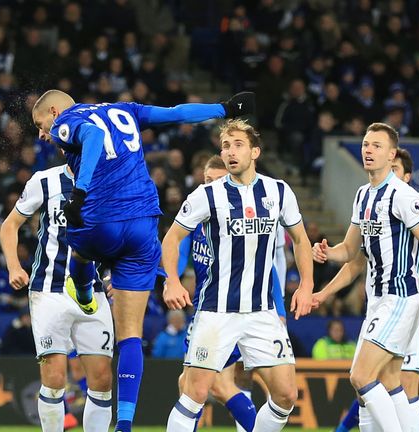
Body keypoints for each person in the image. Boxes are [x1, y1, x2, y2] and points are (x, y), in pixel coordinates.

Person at [31, 88, 255, 432]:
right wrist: (223, 108)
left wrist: (80, 191)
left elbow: (90, 136)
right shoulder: (126, 110)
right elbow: (176, 112)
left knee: (77, 243)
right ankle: (124, 423)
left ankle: (84, 287)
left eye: (40, 123)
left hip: (102, 221)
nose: (42, 133)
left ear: (55, 111)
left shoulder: (69, 120)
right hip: (142, 225)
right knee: (130, 337)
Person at [162, 119, 314, 431]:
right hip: (216, 311)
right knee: (195, 391)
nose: (231, 151)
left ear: (255, 151)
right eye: (226, 146)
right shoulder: (207, 195)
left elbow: (300, 239)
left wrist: (307, 285)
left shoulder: (279, 192)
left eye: (238, 145)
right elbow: (172, 239)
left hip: (262, 312)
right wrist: (173, 280)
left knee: (286, 395)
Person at [312, 123, 419, 431]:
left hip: (402, 296)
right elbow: (350, 250)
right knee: (389, 380)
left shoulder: (403, 195)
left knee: (360, 376)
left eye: (376, 145)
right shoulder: (363, 195)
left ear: (391, 155)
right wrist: (327, 253)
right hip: (378, 300)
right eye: (365, 144)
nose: (368, 150)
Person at [0, 163, 114, 432]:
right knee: (54, 377)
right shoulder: (44, 181)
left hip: (93, 291)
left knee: (102, 379)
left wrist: (113, 276)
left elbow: (116, 238)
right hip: (49, 291)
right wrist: (14, 266)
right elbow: (9, 225)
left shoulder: (109, 181)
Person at [176, 155, 260, 432]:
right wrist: (171, 280)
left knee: (215, 385)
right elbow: (178, 252)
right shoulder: (197, 221)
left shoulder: (232, 225)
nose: (209, 187)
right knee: (195, 383)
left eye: (216, 181)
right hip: (205, 311)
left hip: (225, 313)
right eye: (206, 181)